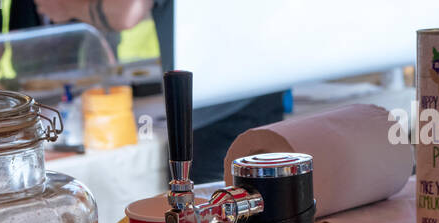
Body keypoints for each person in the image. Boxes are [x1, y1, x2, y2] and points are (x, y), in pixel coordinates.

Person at [35, 0, 285, 181]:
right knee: (257, 218)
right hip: (257, 86)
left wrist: (65, 7)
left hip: (217, 108)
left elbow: (126, 10)